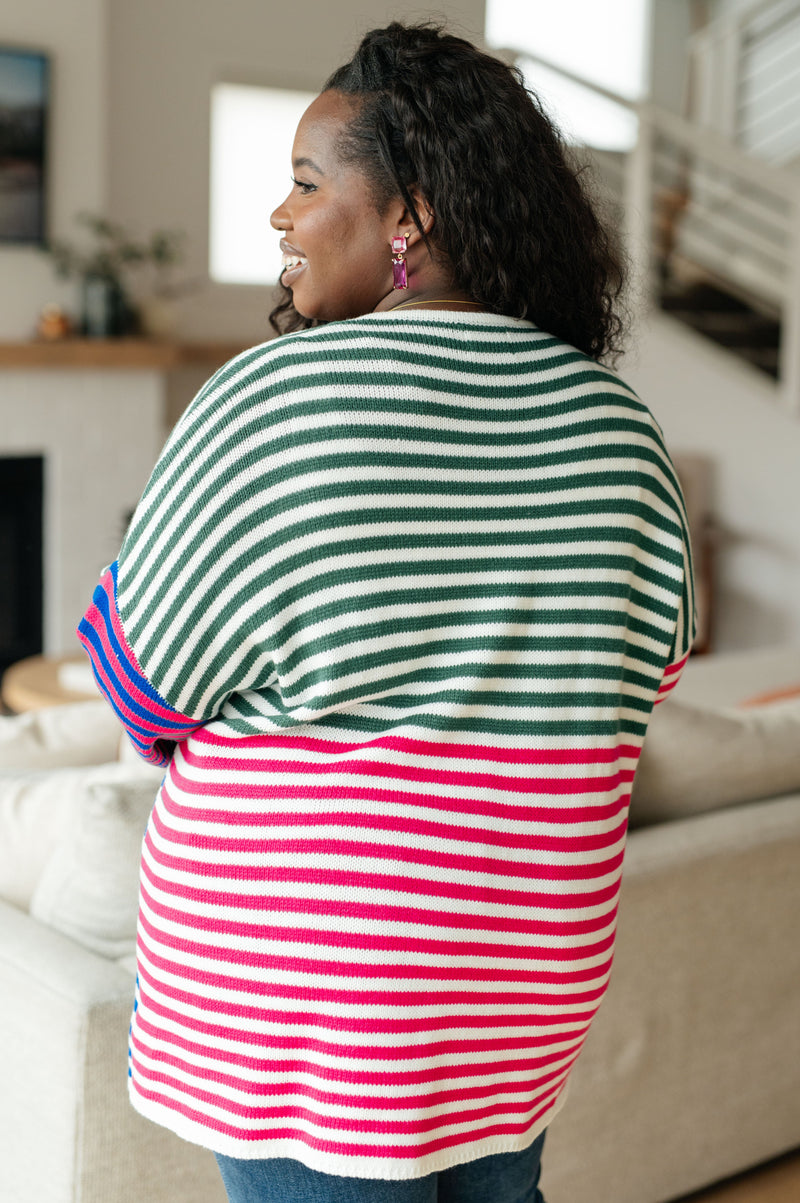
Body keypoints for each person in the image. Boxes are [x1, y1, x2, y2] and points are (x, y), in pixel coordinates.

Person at [78, 22, 694, 1203]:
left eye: (307, 184)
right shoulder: (619, 429)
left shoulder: (276, 396)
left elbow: (141, 687)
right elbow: (643, 680)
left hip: (313, 1008)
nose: (281, 216)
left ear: (407, 213)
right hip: (514, 998)